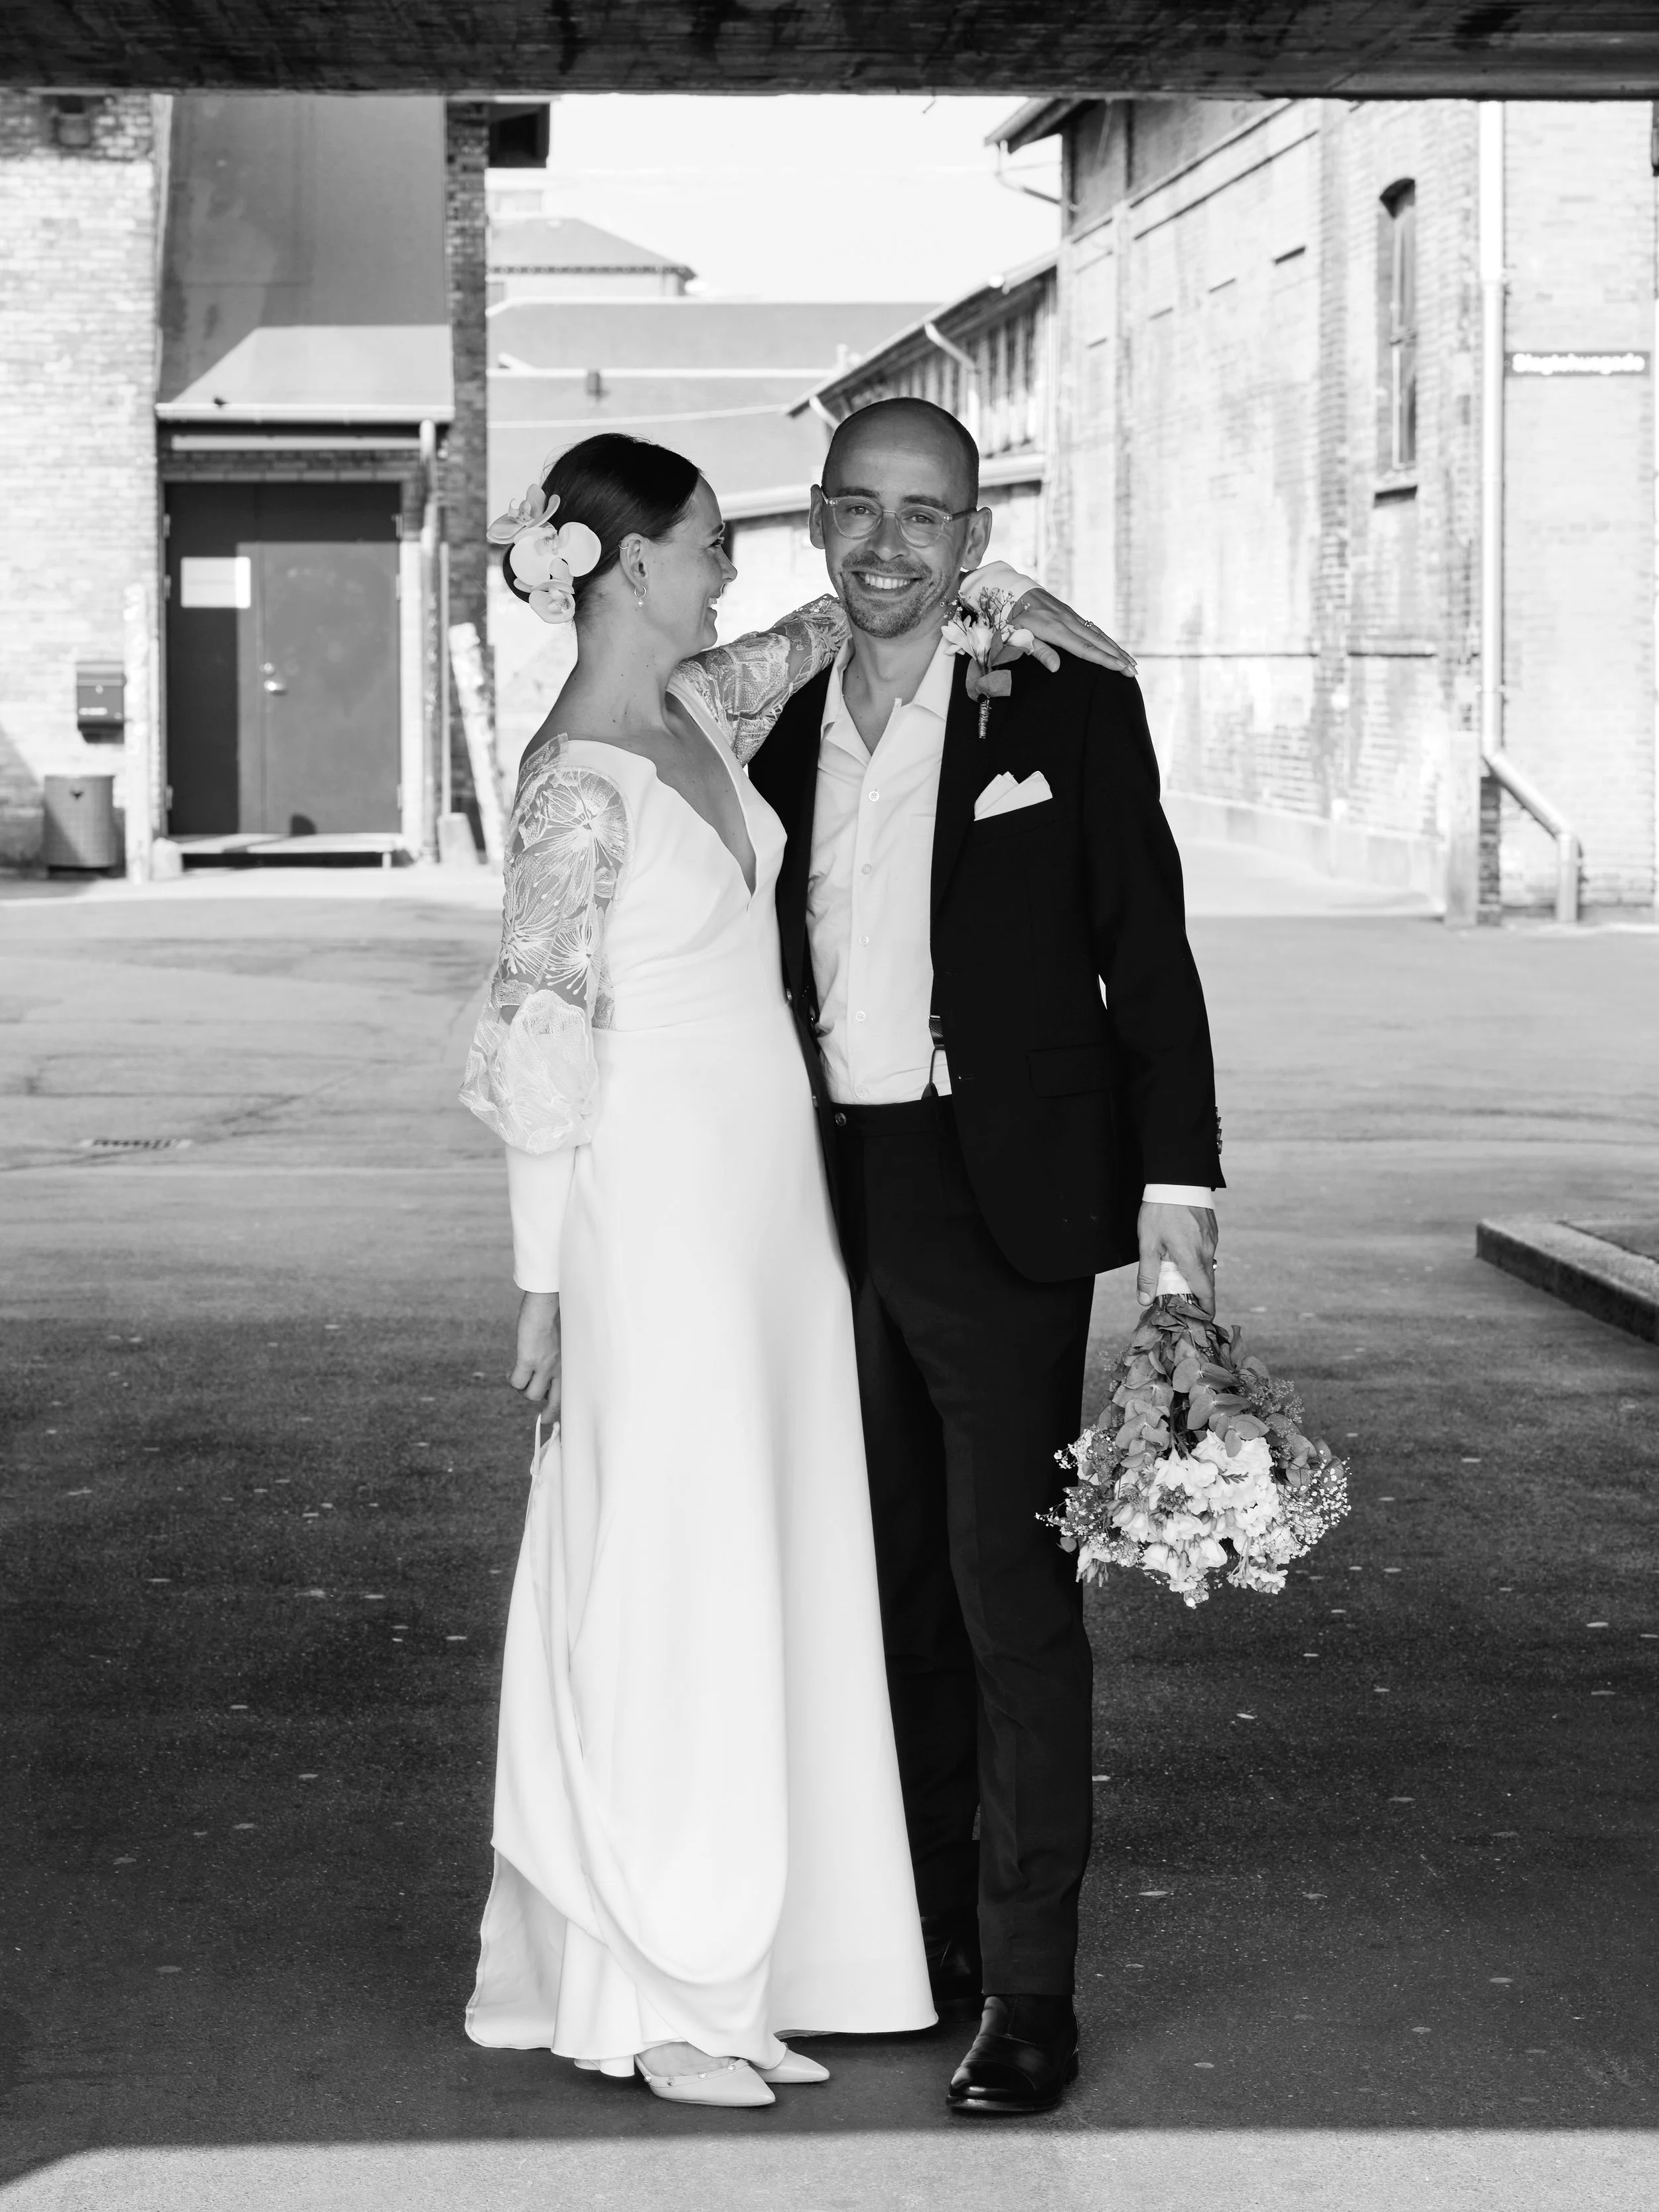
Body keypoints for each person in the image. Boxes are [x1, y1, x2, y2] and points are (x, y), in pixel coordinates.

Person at [459, 432, 1128, 2108]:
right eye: (699, 546)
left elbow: (859, 604)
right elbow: (536, 1037)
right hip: (655, 1216)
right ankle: (652, 1983)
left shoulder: (702, 705)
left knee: (769, 1560)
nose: (725, 572)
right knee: (668, 1571)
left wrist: (1013, 604)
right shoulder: (571, 781)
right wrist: (545, 1284)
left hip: (779, 1216)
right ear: (619, 566)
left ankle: (752, 1955)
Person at [746, 397, 1222, 2114]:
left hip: (995, 1195)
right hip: (811, 1192)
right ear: (815, 518)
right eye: (859, 511)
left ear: (973, 534)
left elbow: (1145, 958)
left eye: (926, 515)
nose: (889, 545)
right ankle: (921, 1926)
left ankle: (1029, 1985)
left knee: (1004, 1586)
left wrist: (1179, 1200)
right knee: (873, 1580)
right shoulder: (771, 717)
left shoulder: (1066, 707)